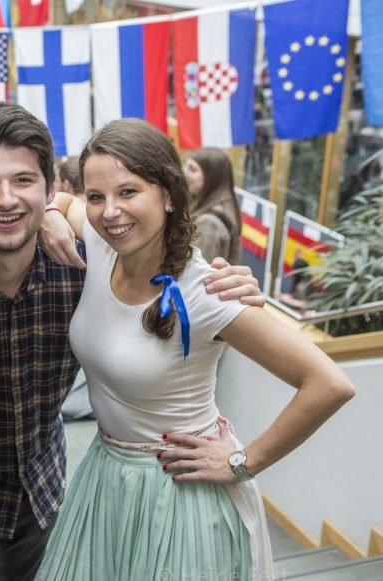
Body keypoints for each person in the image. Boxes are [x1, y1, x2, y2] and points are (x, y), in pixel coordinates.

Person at [0, 102, 265, 581]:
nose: (6, 198)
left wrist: (222, 287)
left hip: (41, 500)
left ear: (50, 189)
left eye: (23, 180)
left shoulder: (83, 268)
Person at [35, 118, 354, 580]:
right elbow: (64, 203)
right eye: (97, 196)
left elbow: (329, 383)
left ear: (168, 194)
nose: (109, 211)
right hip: (107, 477)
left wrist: (244, 462)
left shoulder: (208, 292)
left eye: (128, 192)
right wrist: (50, 213)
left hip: (178, 492)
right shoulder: (104, 246)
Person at [185, 147, 243, 265]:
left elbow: (198, 270)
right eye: (187, 168)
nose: (186, 175)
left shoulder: (209, 223)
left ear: (211, 176)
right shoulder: (225, 202)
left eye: (193, 170)